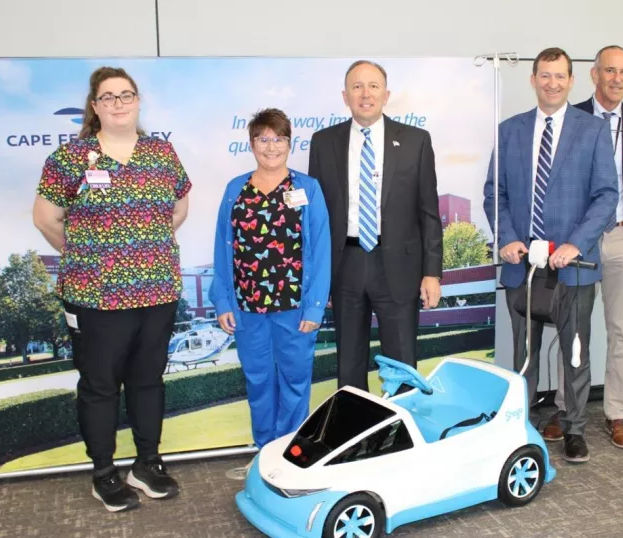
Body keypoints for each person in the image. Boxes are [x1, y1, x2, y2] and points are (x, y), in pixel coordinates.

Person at [32, 66, 191, 512]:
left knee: (147, 380)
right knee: (101, 386)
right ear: (95, 106)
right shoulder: (71, 158)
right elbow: (46, 219)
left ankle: (147, 464)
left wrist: (143, 248)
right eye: (109, 96)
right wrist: (93, 254)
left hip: (157, 291)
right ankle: (104, 472)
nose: (118, 103)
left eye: (126, 95)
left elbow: (177, 209)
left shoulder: (161, 153)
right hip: (95, 296)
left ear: (138, 101)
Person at [483, 47, 618, 463]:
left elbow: (606, 196)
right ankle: (520, 426)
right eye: (545, 75)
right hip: (522, 268)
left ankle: (575, 428)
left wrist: (577, 242)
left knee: (575, 352)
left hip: (572, 267)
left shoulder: (593, 131)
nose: (552, 83)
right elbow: (495, 192)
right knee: (524, 354)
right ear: (534, 79)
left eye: (560, 76)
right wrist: (505, 237)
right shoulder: (509, 131)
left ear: (572, 80)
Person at [542, 45, 623, 449]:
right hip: (578, 241)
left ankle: (617, 412)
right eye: (609, 71)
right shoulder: (568, 119)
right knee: (572, 330)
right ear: (593, 75)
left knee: (621, 329)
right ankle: (564, 406)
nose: (617, 79)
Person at [307, 60, 443, 391]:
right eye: (356, 86)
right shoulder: (324, 142)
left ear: (386, 94)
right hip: (346, 265)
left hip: (399, 265)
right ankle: (354, 436)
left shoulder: (416, 140)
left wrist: (432, 273)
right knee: (349, 363)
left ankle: (401, 434)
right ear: (345, 95)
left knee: (401, 362)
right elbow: (316, 218)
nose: (365, 94)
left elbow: (429, 212)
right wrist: (318, 277)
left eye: (373, 86)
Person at [209, 108, 330, 449]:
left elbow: (321, 250)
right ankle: (264, 450)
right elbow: (222, 247)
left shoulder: (308, 188)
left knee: (295, 381)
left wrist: (315, 308)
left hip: (295, 308)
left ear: (290, 143)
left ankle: (289, 451)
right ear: (251, 144)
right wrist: (222, 301)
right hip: (247, 309)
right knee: (259, 381)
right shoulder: (236, 189)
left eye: (279, 139)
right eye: (263, 139)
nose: (271, 147)